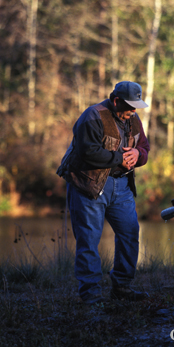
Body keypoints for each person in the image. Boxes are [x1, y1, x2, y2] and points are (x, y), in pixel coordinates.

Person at [57, 81, 151, 304]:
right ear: (116, 100)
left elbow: (145, 147)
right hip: (88, 185)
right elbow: (88, 152)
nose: (133, 111)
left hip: (122, 187)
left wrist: (138, 155)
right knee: (89, 240)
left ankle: (122, 287)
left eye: (136, 106)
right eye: (130, 105)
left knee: (130, 234)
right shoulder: (92, 115)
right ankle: (91, 295)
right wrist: (121, 159)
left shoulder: (134, 119)